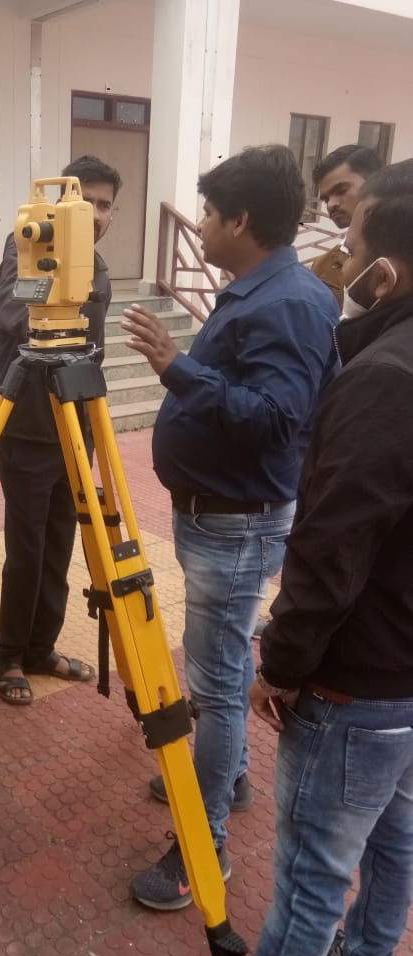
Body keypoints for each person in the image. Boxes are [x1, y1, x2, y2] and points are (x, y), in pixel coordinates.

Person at [133, 161, 413, 956]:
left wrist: (283, 665)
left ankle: (209, 856)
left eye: (353, 244)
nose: (341, 260)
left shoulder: (366, 362)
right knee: (397, 831)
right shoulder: (309, 314)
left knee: (305, 857)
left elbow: (327, 529)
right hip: (390, 662)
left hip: (351, 657)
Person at [121, 145, 340, 910]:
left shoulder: (288, 303)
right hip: (222, 520)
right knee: (222, 666)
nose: (202, 224)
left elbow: (278, 421)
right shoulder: (263, 290)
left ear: (241, 220)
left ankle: (201, 844)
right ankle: (230, 775)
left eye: (211, 213)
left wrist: (177, 368)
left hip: (235, 527)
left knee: (214, 689)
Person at [0, 155, 121, 705]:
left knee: (60, 546)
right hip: (25, 428)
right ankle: (9, 655)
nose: (97, 214)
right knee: (26, 551)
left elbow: (91, 348)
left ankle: (41, 647)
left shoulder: (99, 269)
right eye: (87, 201)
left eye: (106, 205)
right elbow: (12, 314)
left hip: (75, 428)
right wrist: (58, 289)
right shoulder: (26, 246)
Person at [311, 144, 383, 305]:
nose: (331, 204)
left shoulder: (404, 255)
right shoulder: (322, 267)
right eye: (325, 199)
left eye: (341, 190)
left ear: (375, 183)